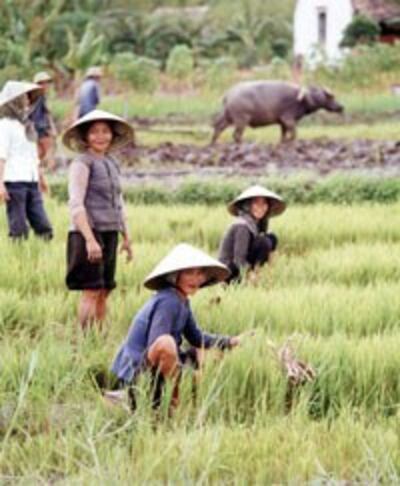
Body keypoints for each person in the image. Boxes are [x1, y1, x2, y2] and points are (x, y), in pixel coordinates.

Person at [110, 243, 241, 412]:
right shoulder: (168, 301)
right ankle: (173, 403)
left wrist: (230, 341)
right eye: (188, 273)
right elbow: (158, 344)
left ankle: (181, 396)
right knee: (167, 343)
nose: (195, 279)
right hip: (138, 372)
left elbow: (196, 336)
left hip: (153, 365)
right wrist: (184, 370)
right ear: (175, 276)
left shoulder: (182, 301)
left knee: (203, 353)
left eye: (199, 273)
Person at [62, 109, 134, 330]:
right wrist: (90, 240)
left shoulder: (111, 163)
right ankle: (85, 340)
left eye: (105, 131)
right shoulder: (82, 163)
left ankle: (99, 335)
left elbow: (118, 202)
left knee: (105, 288)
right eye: (94, 132)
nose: (100, 136)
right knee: (91, 289)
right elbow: (76, 204)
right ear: (85, 137)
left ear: (112, 135)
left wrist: (126, 236)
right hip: (87, 232)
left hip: (109, 231)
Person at [0, 81, 53, 240]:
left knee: (44, 226)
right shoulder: (4, 125)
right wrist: (0, 183)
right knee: (19, 227)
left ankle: (42, 256)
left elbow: (33, 157)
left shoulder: (28, 126)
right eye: (24, 98)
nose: (28, 101)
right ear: (14, 101)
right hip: (14, 182)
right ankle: (19, 256)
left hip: (31, 181)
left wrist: (41, 178)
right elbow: (1, 155)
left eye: (28, 98)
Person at [218, 185, 286, 283]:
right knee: (263, 242)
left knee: (271, 238)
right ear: (247, 205)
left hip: (240, 268)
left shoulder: (257, 224)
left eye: (264, 203)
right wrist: (251, 275)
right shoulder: (242, 226)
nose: (261, 207)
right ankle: (251, 277)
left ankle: (261, 272)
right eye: (256, 203)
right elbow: (239, 260)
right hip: (229, 272)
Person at [30, 71, 57, 171]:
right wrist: (50, 128)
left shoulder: (40, 96)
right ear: (38, 84)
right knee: (49, 148)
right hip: (40, 127)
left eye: (47, 82)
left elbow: (46, 112)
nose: (46, 85)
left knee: (40, 152)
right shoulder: (37, 96)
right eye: (43, 83)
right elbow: (35, 114)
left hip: (38, 127)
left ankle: (37, 170)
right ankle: (50, 170)